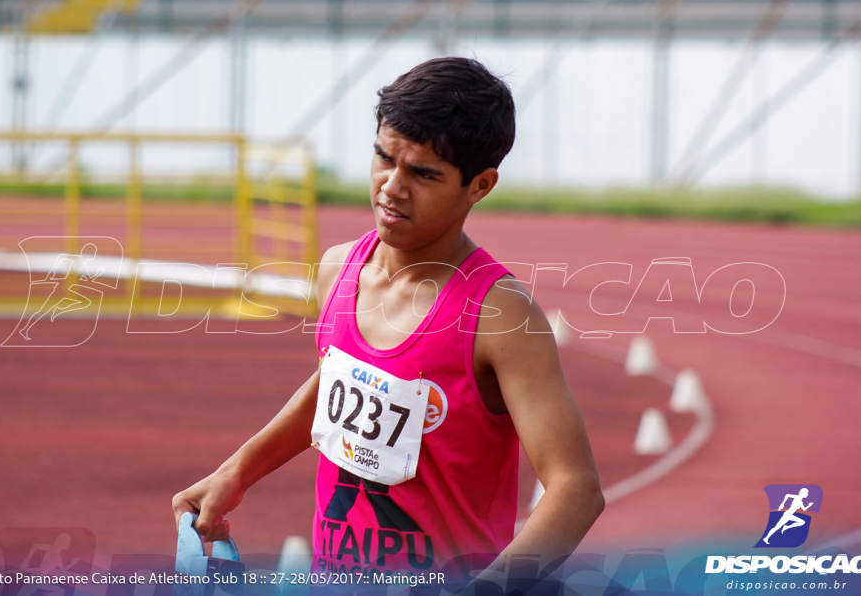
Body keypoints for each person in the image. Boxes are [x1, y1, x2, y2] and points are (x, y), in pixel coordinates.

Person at [172, 57, 604, 584]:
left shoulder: (500, 314)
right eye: (383, 158)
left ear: (480, 185)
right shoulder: (337, 270)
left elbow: (575, 489)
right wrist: (237, 471)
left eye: (423, 174)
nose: (391, 188)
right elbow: (340, 378)